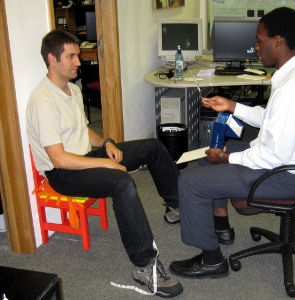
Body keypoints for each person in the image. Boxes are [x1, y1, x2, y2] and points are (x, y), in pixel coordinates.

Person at [169, 7, 295, 279]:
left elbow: (270, 157)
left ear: (278, 42)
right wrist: (232, 106)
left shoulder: (293, 89)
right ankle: (221, 226)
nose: (256, 47)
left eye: (260, 40)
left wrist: (225, 158)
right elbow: (271, 120)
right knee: (207, 156)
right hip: (289, 163)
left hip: (284, 175)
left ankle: (211, 261)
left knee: (190, 182)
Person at [26, 30, 183, 298]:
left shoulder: (71, 90)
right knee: (122, 182)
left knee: (153, 146)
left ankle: (177, 205)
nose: (79, 61)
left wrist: (107, 143)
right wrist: (106, 166)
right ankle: (144, 266)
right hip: (64, 173)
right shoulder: (43, 101)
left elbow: (84, 131)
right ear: (52, 59)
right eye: (72, 56)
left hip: (85, 158)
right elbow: (59, 158)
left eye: (77, 54)